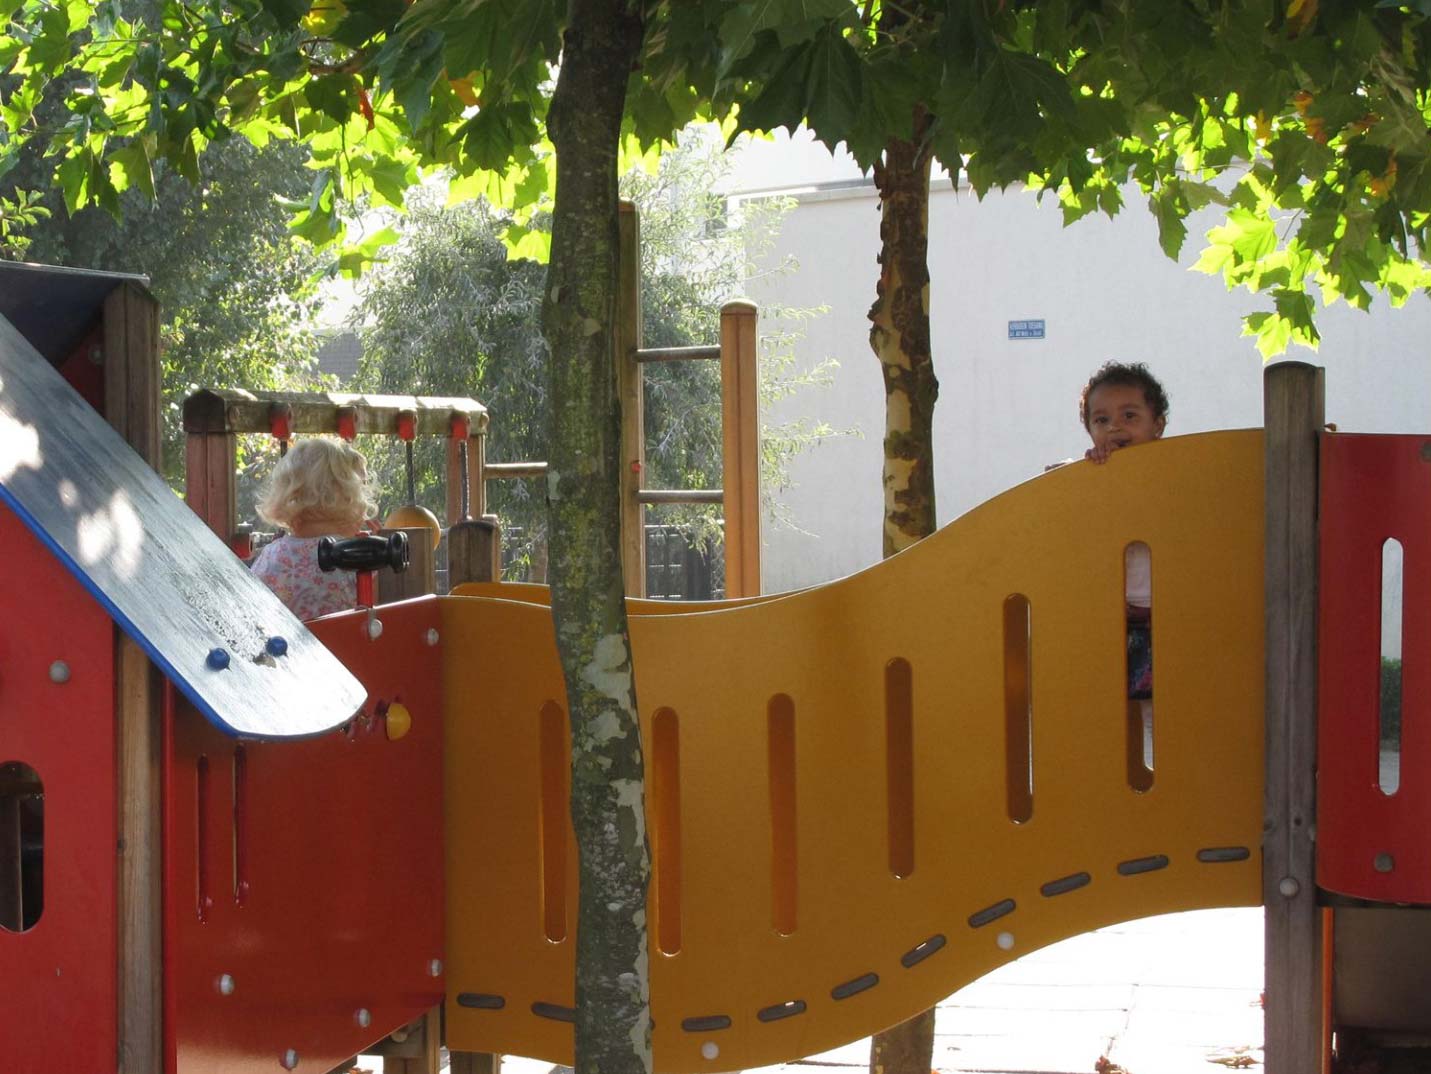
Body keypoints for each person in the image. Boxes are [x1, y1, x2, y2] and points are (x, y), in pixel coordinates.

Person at [1079, 360, 1170, 776]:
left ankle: (1175, 786)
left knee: (1169, 713)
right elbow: (1058, 486)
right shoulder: (1096, 475)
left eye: (1129, 416)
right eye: (1102, 420)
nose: (1115, 428)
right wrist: (1090, 473)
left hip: (1170, 614)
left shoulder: (1176, 471)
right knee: (1114, 716)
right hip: (1119, 616)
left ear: (1158, 425)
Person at [250, 437, 378, 620]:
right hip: (340, 647)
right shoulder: (358, 559)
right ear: (349, 500)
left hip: (282, 646)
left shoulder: (271, 555)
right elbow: (378, 621)